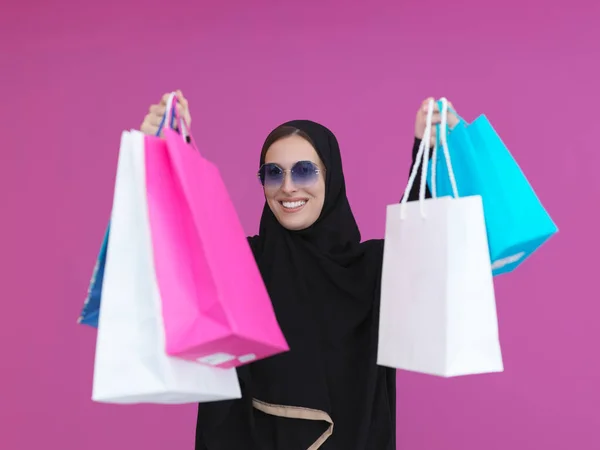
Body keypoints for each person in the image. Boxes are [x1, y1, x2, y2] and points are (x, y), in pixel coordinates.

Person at [141, 91, 459, 450]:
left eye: (304, 170)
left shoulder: (371, 270)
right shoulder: (243, 263)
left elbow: (425, 248)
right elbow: (180, 240)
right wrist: (166, 151)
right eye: (273, 173)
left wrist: (429, 152)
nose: (288, 186)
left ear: (331, 177)